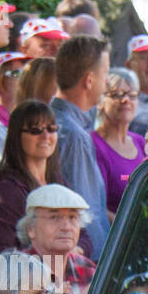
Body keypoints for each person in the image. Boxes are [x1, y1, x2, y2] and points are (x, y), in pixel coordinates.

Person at [0, 99, 71, 254]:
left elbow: (83, 234)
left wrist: (77, 248)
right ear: (17, 136)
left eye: (51, 129)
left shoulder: (59, 182)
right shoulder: (5, 190)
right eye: (35, 130)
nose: (45, 136)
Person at [51, 36, 110, 258]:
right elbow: (85, 211)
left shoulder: (60, 123)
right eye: (105, 75)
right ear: (88, 80)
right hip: (84, 262)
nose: (107, 83)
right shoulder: (74, 135)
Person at [17, 184, 96, 294]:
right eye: (54, 218)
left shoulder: (88, 269)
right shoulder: (16, 271)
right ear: (31, 229)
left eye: (72, 217)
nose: (66, 227)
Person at [93, 68, 147, 217]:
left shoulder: (140, 142)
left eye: (132, 95)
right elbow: (95, 206)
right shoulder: (93, 144)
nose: (126, 100)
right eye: (117, 95)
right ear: (100, 101)